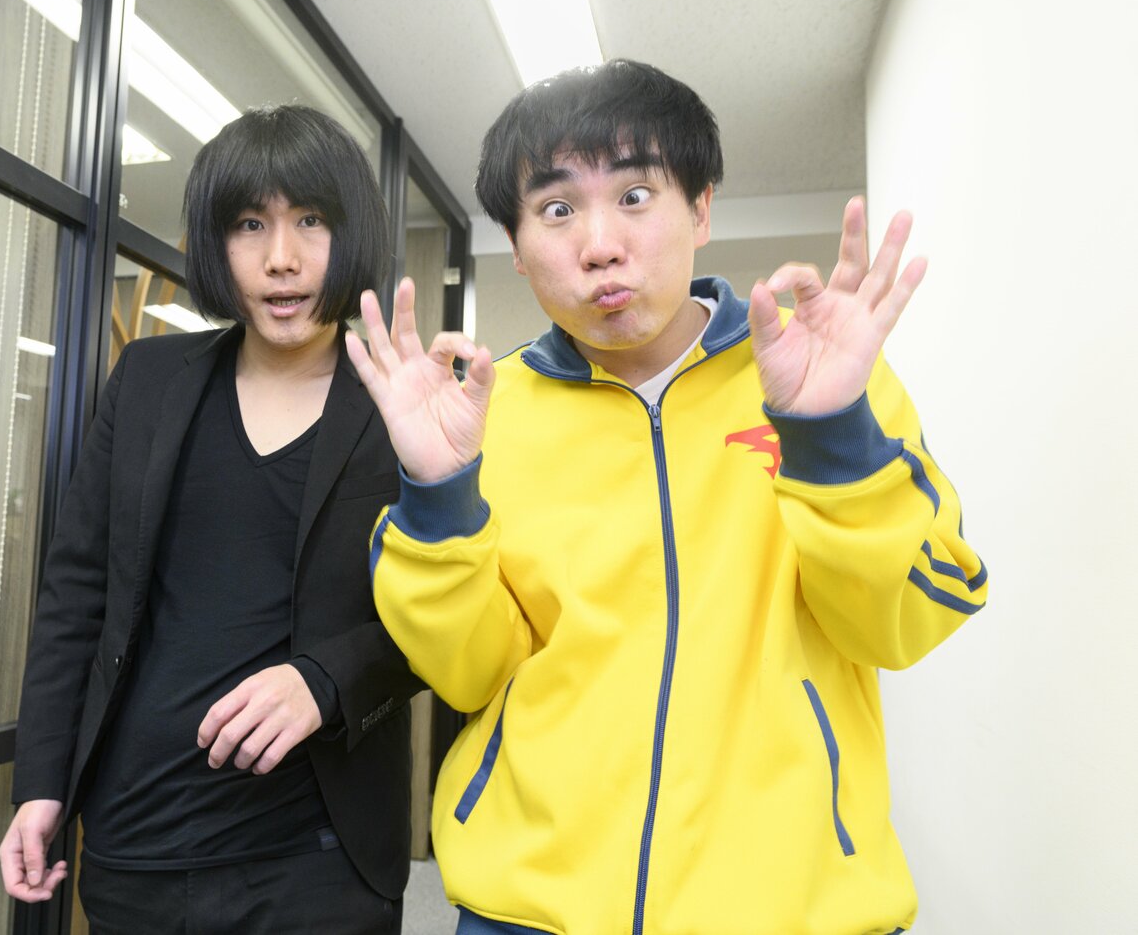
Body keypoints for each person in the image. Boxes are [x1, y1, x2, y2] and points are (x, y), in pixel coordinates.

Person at [346, 60, 987, 935]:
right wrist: (438, 493)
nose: (599, 244)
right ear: (518, 248)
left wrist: (831, 437)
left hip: (790, 909)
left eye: (636, 195)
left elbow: (904, 623)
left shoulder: (821, 382)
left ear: (702, 209)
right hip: (530, 909)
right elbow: (467, 671)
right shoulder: (487, 416)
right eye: (557, 209)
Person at [0, 104, 421, 933]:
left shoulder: (405, 402)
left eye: (311, 220)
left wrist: (326, 681)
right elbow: (77, 593)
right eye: (249, 224)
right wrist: (42, 782)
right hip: (137, 838)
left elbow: (450, 613)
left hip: (317, 857)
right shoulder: (149, 379)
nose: (281, 257)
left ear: (352, 233)